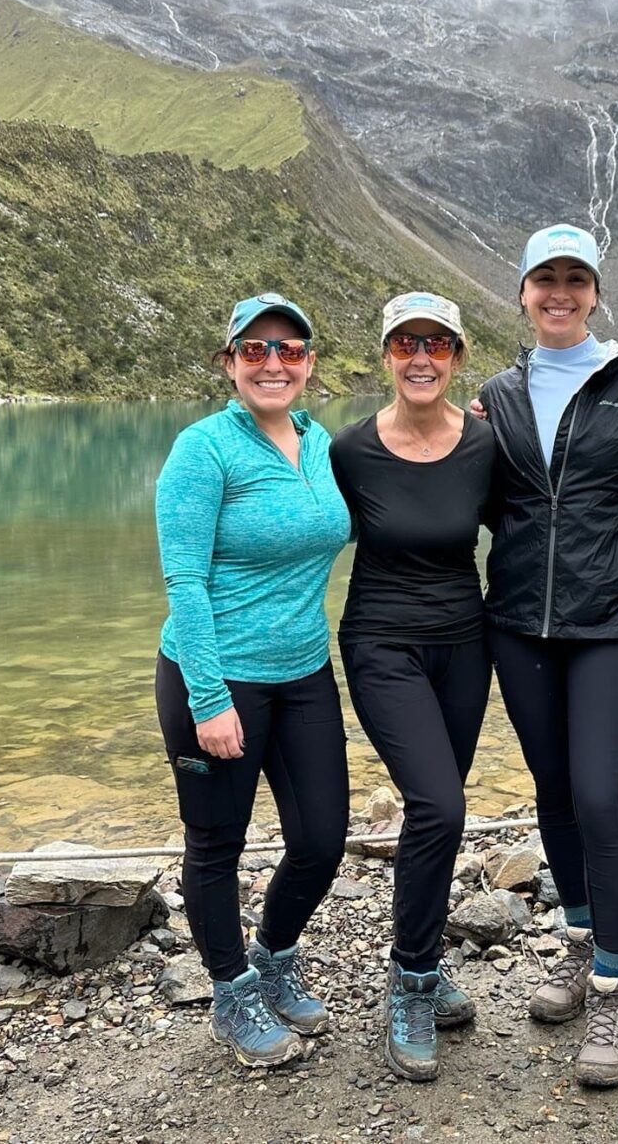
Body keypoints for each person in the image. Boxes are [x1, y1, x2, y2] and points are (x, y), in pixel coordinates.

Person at [478, 224, 618, 1088]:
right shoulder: (496, 394)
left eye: (574, 279)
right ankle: (578, 942)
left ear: (595, 290)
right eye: (544, 279)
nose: (559, 292)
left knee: (599, 797)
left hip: (612, 625)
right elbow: (473, 495)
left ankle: (616, 984)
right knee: (552, 794)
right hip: (517, 623)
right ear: (522, 292)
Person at [154, 292, 353, 1069]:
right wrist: (209, 698)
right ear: (229, 363)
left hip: (304, 671)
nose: (274, 363)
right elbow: (185, 580)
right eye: (256, 349)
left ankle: (273, 955)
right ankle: (231, 989)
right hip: (215, 676)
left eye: (290, 350)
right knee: (216, 843)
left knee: (322, 838)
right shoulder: (203, 450)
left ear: (308, 365)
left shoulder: (319, 441)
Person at [330, 291, 497, 1082]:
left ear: (458, 355)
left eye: (436, 343)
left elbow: (535, 525)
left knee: (438, 814)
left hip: (466, 647)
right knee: (440, 804)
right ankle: (410, 981)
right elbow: (302, 532)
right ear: (386, 356)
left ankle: (423, 958)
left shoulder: (485, 444)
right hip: (381, 645)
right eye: (406, 344)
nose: (421, 357)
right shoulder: (350, 451)